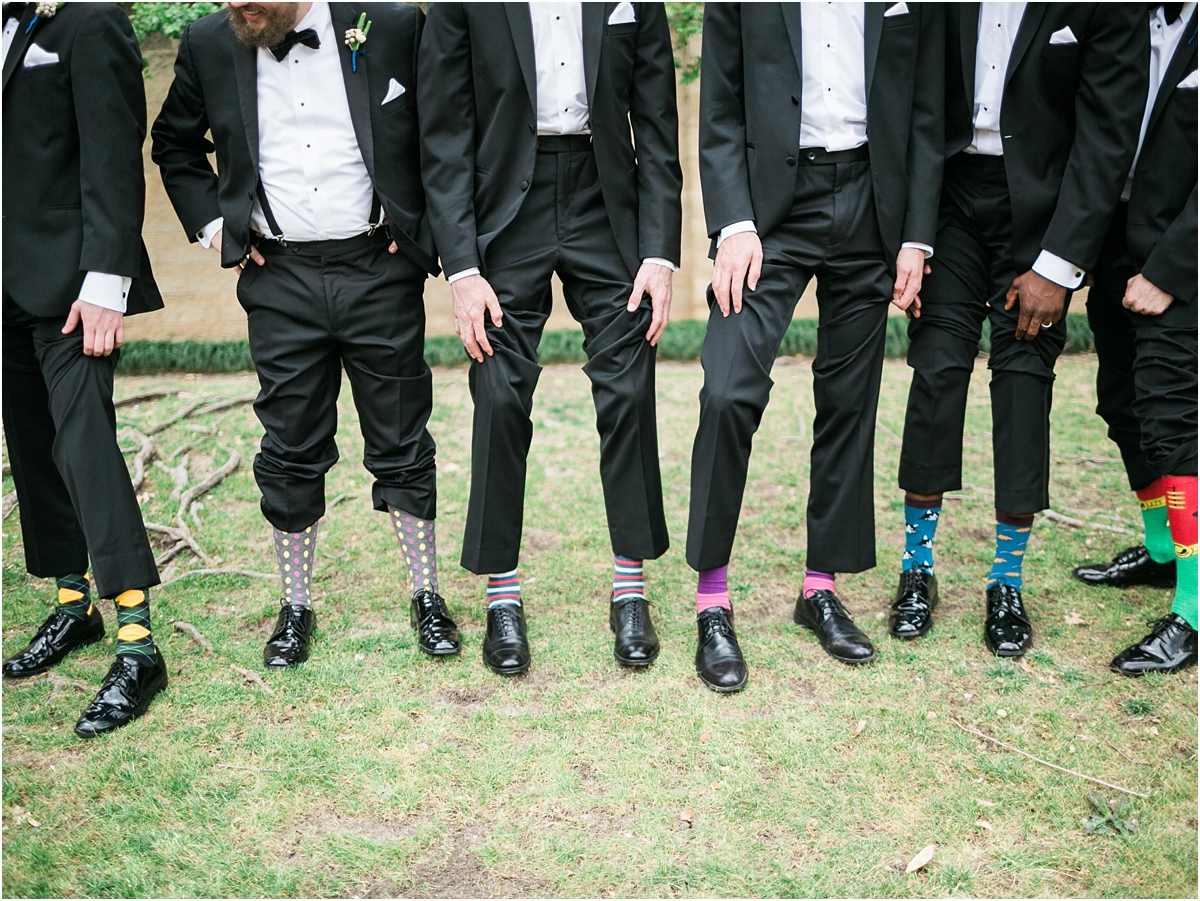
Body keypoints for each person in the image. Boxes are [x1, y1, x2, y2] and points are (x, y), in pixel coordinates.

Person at [152, 1, 459, 669]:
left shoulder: (391, 24)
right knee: (289, 444)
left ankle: (426, 595)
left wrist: (421, 231)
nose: (239, 4)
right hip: (278, 276)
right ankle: (295, 605)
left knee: (402, 436)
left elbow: (442, 131)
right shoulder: (209, 42)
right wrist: (216, 229)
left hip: (379, 268)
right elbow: (174, 142)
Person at [418, 2, 683, 675]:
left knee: (629, 384)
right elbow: (443, 133)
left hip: (607, 199)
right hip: (506, 203)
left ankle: (630, 588)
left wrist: (660, 252)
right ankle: (501, 595)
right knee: (500, 390)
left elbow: (657, 123)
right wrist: (463, 267)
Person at [687, 2, 944, 690]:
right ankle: (712, 599)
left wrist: (916, 236)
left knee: (849, 401)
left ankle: (820, 588)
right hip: (770, 211)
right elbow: (720, 107)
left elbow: (925, 115)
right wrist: (733, 223)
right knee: (727, 388)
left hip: (873, 203)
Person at [891, 3, 1148, 656]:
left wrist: (1059, 266)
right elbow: (915, 103)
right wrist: (913, 235)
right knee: (936, 371)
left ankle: (1006, 581)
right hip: (949, 204)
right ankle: (917, 568)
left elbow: (1107, 135)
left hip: (1042, 217)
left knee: (1024, 385)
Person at [1, 1, 168, 737]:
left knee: (84, 446)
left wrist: (107, 279)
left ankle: (138, 643)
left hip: (75, 285)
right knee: (34, 444)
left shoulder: (91, 19)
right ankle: (75, 605)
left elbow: (113, 152)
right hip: (6, 283)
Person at [1073, 3, 1196, 676]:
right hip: (1113, 238)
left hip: (1184, 254)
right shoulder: (1121, 16)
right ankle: (1162, 550)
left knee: (1174, 420)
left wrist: (1171, 269)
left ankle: (1195, 609)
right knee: (1122, 405)